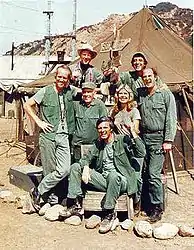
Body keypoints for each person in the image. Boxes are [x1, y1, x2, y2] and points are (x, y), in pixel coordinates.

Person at [59, 116, 146, 234]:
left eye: (105, 127)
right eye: (99, 128)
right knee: (75, 167)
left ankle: (109, 213)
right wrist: (85, 167)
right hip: (104, 180)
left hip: (122, 180)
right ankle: (75, 204)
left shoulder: (122, 140)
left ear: (111, 129)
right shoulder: (98, 143)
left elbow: (141, 152)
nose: (102, 130)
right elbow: (86, 159)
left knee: (113, 175)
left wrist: (132, 132)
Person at [24, 65, 78, 211]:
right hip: (48, 136)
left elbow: (85, 92)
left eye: (64, 77)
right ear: (55, 77)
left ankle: (37, 191)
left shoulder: (69, 91)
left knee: (64, 169)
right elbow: (27, 105)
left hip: (64, 135)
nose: (61, 79)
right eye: (59, 76)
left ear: (68, 79)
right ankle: (50, 201)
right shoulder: (45, 91)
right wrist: (38, 121)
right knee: (49, 169)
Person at [138, 68, 177, 223]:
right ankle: (145, 204)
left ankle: (156, 209)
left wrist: (168, 140)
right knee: (144, 173)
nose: (147, 79)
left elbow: (171, 118)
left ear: (155, 77)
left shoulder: (166, 95)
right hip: (143, 138)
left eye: (150, 76)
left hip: (158, 138)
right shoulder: (141, 94)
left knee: (154, 174)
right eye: (145, 77)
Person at [109, 84, 143, 215]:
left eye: (126, 94)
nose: (123, 96)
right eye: (121, 94)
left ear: (130, 96)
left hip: (132, 145)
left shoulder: (134, 111)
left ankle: (136, 203)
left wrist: (131, 129)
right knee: (121, 174)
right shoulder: (114, 111)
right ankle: (121, 204)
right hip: (118, 146)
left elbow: (136, 128)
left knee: (137, 176)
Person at [72, 82, 108, 162]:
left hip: (94, 145)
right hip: (78, 144)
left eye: (89, 92)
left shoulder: (100, 105)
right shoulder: (77, 105)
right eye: (84, 92)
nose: (86, 94)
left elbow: (105, 123)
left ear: (94, 92)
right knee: (77, 167)